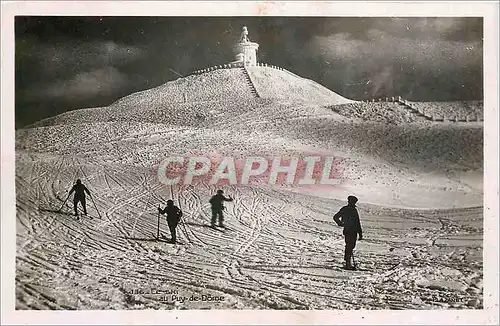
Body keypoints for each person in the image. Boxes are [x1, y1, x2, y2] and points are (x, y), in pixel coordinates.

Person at [333, 195, 363, 270]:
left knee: (351, 246)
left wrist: (360, 233)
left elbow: (357, 222)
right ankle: (348, 264)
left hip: (353, 231)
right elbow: (336, 217)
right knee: (349, 247)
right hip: (349, 231)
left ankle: (348, 263)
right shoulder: (346, 209)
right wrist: (340, 223)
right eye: (353, 202)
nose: (353, 203)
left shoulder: (351, 209)